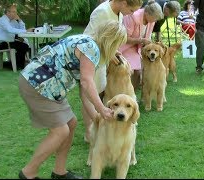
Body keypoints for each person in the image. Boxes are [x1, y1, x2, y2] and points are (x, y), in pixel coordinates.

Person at [18, 21, 127, 179]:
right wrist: (102, 109)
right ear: (111, 41)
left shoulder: (88, 43)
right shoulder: (92, 49)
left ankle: (59, 172)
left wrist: (97, 117)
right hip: (38, 84)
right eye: (118, 44)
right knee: (60, 131)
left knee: (71, 123)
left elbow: (85, 91)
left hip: (50, 88)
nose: (118, 50)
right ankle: (28, 172)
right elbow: (86, 82)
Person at [82, 0, 143, 142]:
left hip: (102, 59)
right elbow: (91, 40)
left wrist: (113, 52)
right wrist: (109, 54)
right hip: (90, 59)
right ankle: (90, 132)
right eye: (132, 10)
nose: (132, 14)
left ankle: (97, 128)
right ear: (123, 3)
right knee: (88, 96)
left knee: (97, 92)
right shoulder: (102, 12)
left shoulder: (119, 14)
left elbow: (109, 38)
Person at [119, 1, 163, 90]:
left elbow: (148, 36)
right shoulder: (133, 17)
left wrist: (149, 43)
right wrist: (141, 40)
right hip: (123, 47)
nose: (155, 20)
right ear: (146, 13)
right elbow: (124, 38)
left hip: (137, 48)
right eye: (155, 18)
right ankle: (124, 93)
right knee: (130, 71)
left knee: (138, 72)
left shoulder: (151, 20)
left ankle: (131, 95)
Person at [0, 4, 33, 70]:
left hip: (8, 41)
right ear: (8, 12)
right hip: (0, 43)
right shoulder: (3, 20)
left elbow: (20, 29)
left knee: (24, 45)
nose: (15, 14)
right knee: (23, 46)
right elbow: (10, 29)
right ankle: (16, 65)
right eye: (13, 12)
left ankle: (17, 64)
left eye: (15, 12)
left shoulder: (13, 20)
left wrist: (19, 20)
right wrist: (26, 31)